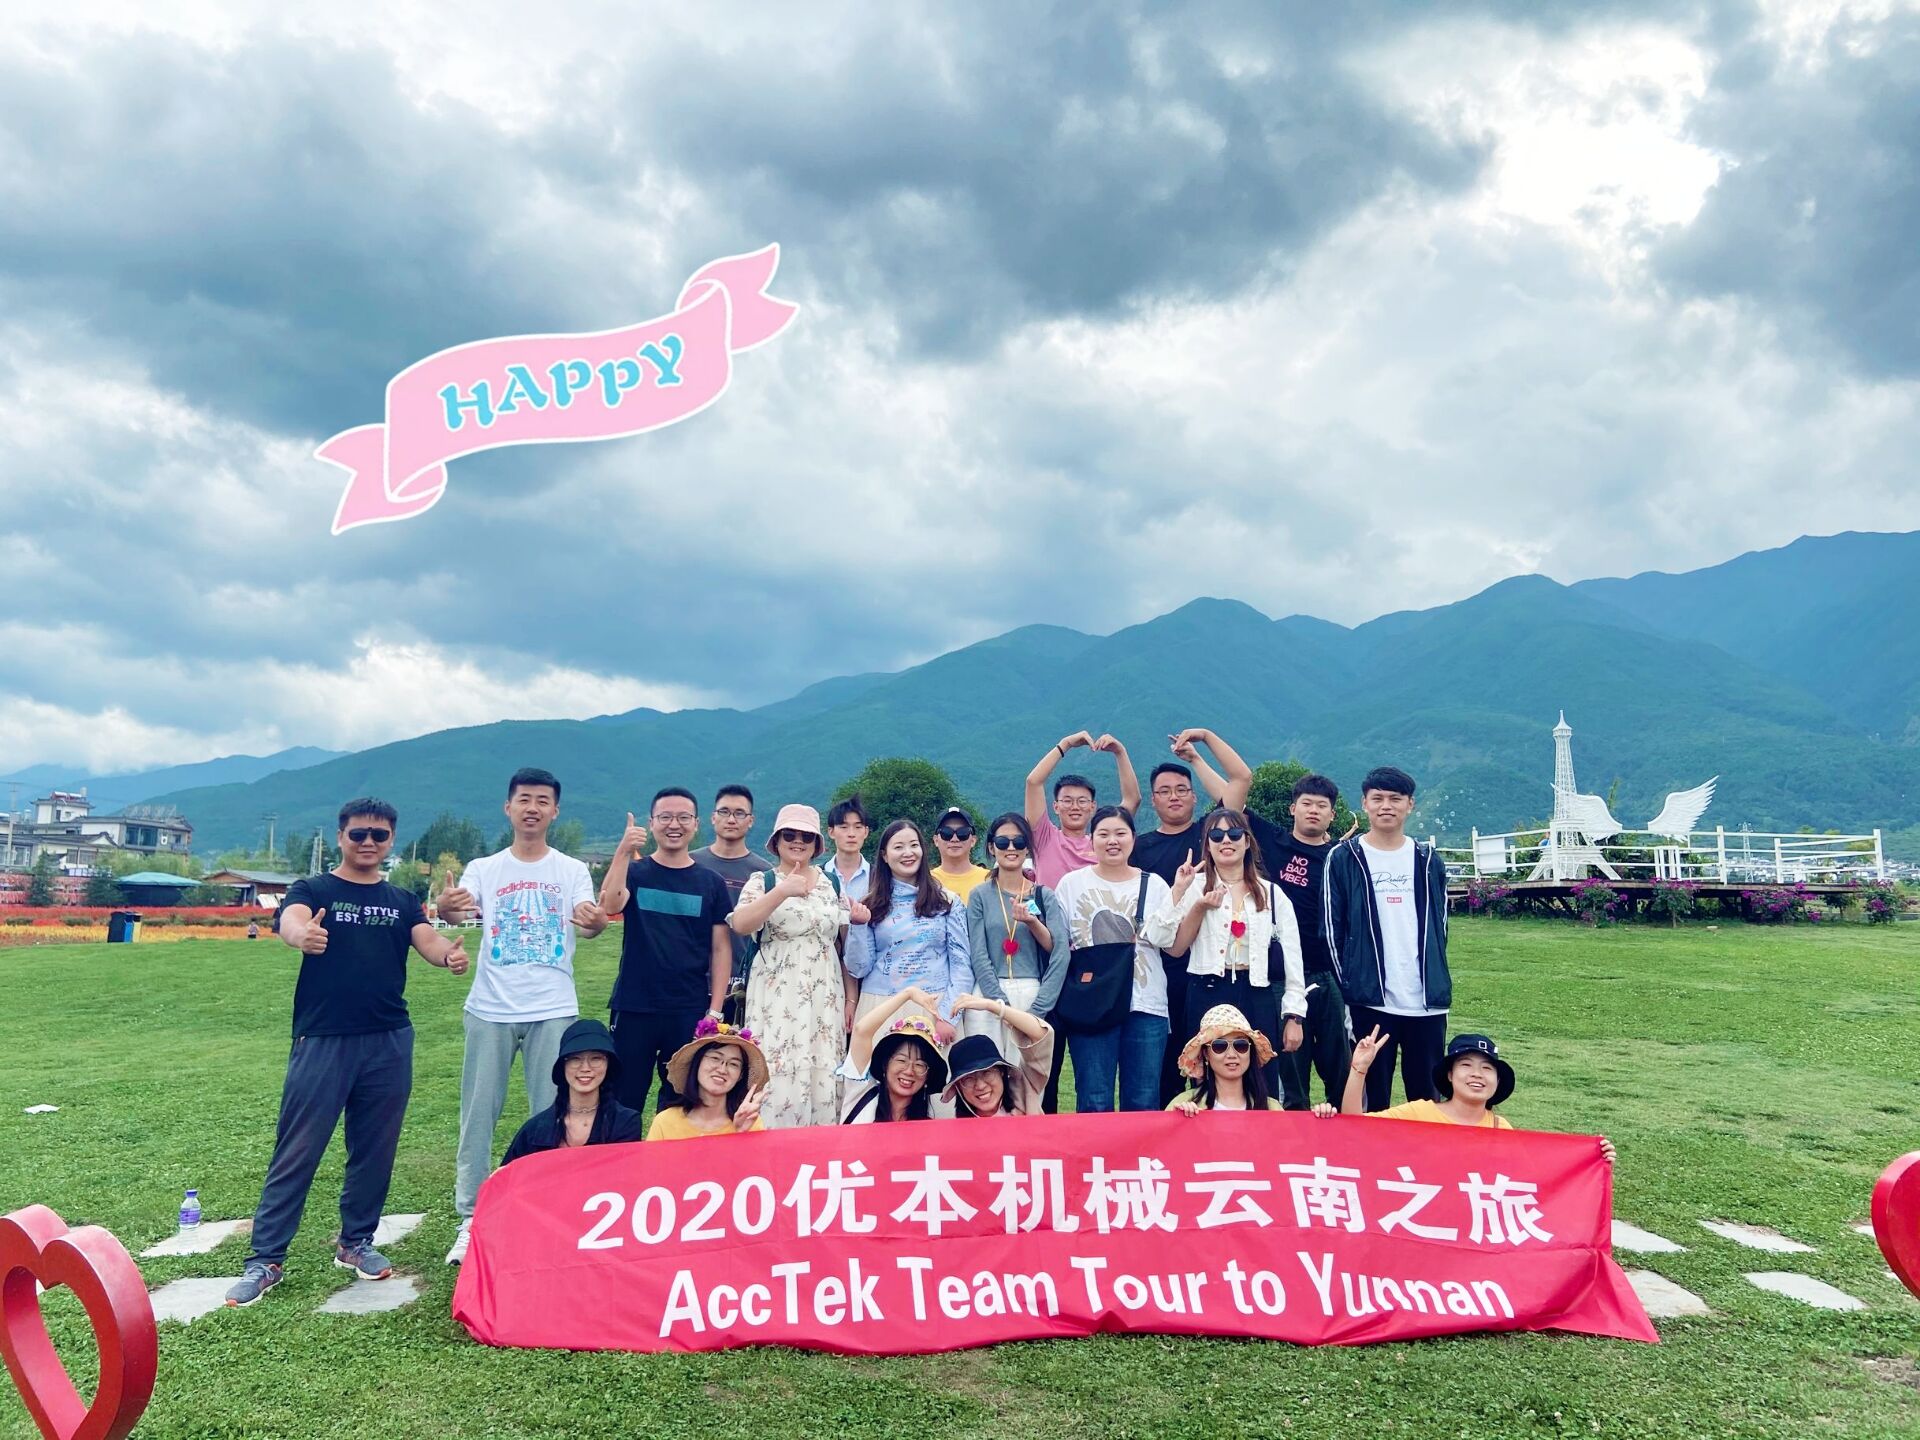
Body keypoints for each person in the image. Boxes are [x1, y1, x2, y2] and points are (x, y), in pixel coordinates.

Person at [225, 799, 469, 1308]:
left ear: (391, 841)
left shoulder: (401, 899)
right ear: (341, 837)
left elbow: (427, 940)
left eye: (379, 835)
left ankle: (356, 1242)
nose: (368, 843)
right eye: (359, 834)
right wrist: (303, 935)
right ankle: (266, 1259)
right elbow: (291, 921)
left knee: (375, 1149)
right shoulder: (314, 890)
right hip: (324, 1038)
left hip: (389, 1039)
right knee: (298, 1149)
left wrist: (448, 953)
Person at [437, 766, 606, 1264]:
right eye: (524, 799)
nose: (533, 808)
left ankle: (547, 1208)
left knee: (553, 1112)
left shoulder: (571, 869)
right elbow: (458, 911)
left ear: (555, 811)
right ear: (508, 807)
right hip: (490, 1008)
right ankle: (471, 1216)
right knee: (478, 1113)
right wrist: (447, 906)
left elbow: (588, 921)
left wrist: (595, 922)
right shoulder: (484, 867)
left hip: (552, 1008)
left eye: (542, 801)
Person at [1322, 766, 1453, 1111]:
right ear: (1364, 803)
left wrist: (1434, 975)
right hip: (1370, 1001)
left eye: (1395, 799)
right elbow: (1332, 930)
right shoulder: (1344, 857)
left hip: (1426, 1002)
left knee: (1426, 1101)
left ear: (1410, 805)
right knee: (1371, 1098)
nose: (1386, 806)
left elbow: (1440, 928)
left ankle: (1421, 1150)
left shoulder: (1427, 859)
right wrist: (1351, 986)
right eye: (1377, 798)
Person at [597, 787, 733, 1114]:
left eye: (683, 817)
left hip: (688, 1008)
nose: (674, 824)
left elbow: (720, 949)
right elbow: (610, 904)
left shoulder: (711, 883)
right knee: (623, 1099)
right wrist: (623, 850)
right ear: (652, 823)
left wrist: (715, 1010)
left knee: (682, 1100)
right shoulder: (635, 873)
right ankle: (624, 1149)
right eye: (665, 817)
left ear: (696, 823)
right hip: (634, 1006)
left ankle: (672, 1150)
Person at [1158, 807, 1305, 1097]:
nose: (1226, 840)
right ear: (1207, 844)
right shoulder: (1194, 886)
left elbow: (1293, 959)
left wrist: (1294, 1016)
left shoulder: (1271, 893)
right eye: (1216, 835)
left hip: (1256, 992)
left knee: (1262, 1080)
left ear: (1247, 841)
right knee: (1206, 1083)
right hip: (1206, 990)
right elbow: (1164, 940)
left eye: (1235, 834)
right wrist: (1180, 891)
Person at [1051, 806, 1179, 1112]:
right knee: (1093, 1099)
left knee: (1144, 1100)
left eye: (1120, 833)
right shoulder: (1071, 884)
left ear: (1133, 838)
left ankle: (1139, 1149)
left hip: (1145, 1003)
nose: (1112, 841)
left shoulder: (1155, 884)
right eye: (1104, 834)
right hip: (1091, 1003)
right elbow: (1057, 944)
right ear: (1091, 839)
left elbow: (1170, 943)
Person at [726, 805, 846, 1128]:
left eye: (806, 836)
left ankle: (821, 1144)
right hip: (777, 993)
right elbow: (740, 924)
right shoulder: (762, 881)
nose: (797, 841)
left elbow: (841, 942)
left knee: (823, 1066)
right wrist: (781, 892)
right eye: (789, 835)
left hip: (825, 993)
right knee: (776, 1062)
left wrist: (850, 999)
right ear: (777, 841)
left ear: (816, 843)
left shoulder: (831, 883)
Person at [1243, 773, 1351, 1111]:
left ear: (1332, 815)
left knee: (1341, 1065)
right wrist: (1198, 754)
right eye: (1306, 803)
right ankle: (1293, 1133)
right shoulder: (1273, 842)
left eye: (1322, 806)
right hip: (1282, 976)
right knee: (1290, 1069)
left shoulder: (1341, 857)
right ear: (1293, 808)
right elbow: (1232, 795)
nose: (1313, 810)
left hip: (1329, 974)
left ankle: (1346, 1129)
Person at [841, 820, 970, 1045]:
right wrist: (858, 926)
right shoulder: (869, 905)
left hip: (935, 1008)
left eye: (913, 845)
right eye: (898, 847)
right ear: (884, 855)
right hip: (881, 1007)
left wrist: (948, 1016)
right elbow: (858, 968)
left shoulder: (947, 902)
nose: (908, 853)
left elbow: (961, 965)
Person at [963, 812, 1068, 1045]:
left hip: (1032, 991)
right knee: (987, 1065)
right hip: (988, 995)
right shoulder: (979, 895)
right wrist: (999, 1002)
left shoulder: (1044, 896)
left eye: (1019, 842)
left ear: (1027, 848)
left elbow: (1059, 952)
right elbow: (978, 954)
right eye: (1003, 842)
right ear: (991, 848)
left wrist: (1039, 1008)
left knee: (1027, 1067)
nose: (1011, 848)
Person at [499, 1017, 644, 1163]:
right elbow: (507, 1174)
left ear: (608, 1064)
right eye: (575, 1059)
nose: (585, 1068)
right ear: (563, 1066)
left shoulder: (626, 1123)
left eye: (596, 1059)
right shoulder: (534, 1130)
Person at [691, 784, 772, 1023]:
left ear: (751, 820)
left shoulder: (764, 873)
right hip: (692, 982)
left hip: (743, 987)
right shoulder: (691, 863)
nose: (731, 819)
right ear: (713, 817)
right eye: (724, 811)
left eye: (739, 813)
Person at [1023, 731, 1141, 886]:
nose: (1075, 807)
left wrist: (1120, 752)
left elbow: (1132, 800)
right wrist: (1065, 744)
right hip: (1051, 903)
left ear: (1093, 806)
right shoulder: (1044, 838)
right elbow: (1033, 782)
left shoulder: (1102, 842)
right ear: (1056, 806)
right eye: (1067, 801)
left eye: (1082, 801)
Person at [838, 986, 949, 1123]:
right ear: (885, 1064)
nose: (909, 1071)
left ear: (928, 1076)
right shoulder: (862, 1092)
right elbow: (861, 1031)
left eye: (919, 1065)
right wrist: (908, 994)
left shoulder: (926, 1126)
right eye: (901, 1060)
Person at [648, 1018, 771, 1139]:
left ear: (740, 1075)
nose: (722, 1069)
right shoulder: (664, 1122)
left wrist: (740, 1134)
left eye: (733, 1064)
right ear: (697, 1063)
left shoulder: (749, 1122)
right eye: (715, 1058)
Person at [941, 997, 1054, 1116]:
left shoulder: (1022, 1092)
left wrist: (993, 1006)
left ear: (1002, 1072)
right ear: (958, 1087)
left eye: (987, 1073)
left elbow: (1041, 1035)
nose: (980, 1086)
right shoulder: (958, 1126)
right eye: (968, 1079)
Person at [820, 796, 874, 1033]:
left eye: (857, 827)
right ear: (831, 832)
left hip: (871, 977)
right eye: (843, 827)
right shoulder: (818, 877)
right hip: (827, 975)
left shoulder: (879, 878)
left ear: (866, 832)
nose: (851, 834)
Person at [1167, 1004, 1283, 1113]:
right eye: (1219, 1046)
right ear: (1206, 1054)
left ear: (1250, 1051)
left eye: (1240, 1045)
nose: (1231, 1054)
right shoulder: (1183, 1104)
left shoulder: (1273, 1109)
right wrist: (1178, 1120)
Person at [930, 806, 990, 901]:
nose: (954, 839)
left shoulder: (989, 879)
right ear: (936, 840)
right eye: (947, 833)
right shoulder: (927, 881)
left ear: (973, 840)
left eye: (962, 832)